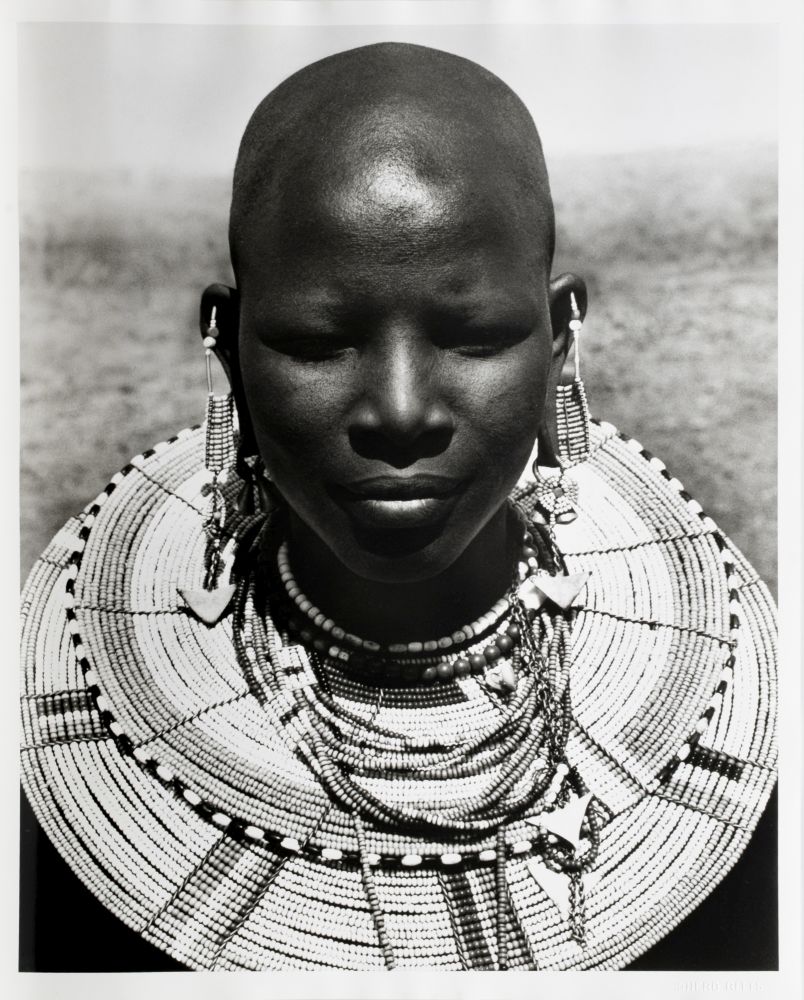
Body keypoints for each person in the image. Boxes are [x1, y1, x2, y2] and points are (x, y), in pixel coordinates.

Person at [19, 42, 777, 972]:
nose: (402, 411)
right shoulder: (37, 807)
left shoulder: (760, 763)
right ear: (226, 347)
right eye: (317, 340)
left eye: (475, 335)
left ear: (560, 341)